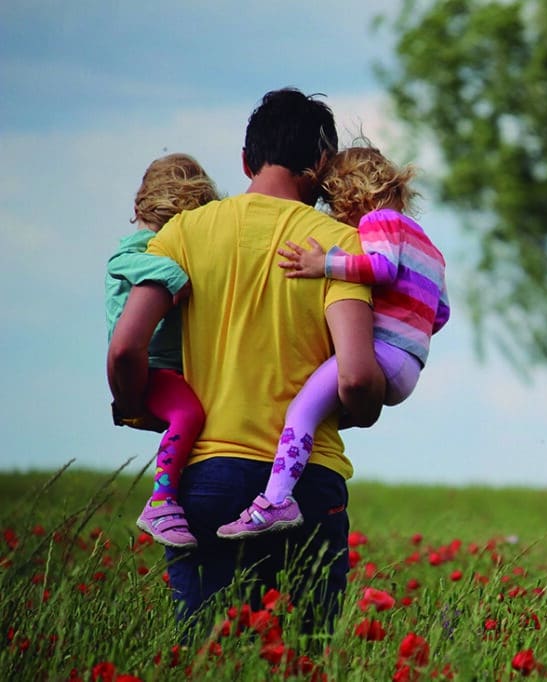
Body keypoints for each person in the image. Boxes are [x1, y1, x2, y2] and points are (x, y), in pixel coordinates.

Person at [107, 88, 385, 632]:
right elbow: (355, 377)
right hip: (307, 484)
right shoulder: (340, 247)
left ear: (244, 160)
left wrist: (134, 403)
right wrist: (368, 404)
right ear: (322, 165)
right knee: (300, 661)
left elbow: (124, 347)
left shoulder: (184, 233)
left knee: (207, 656)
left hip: (206, 478)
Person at [217, 144, 450, 539]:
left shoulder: (379, 222)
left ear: (350, 194)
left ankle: (276, 500)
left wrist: (323, 264)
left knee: (301, 412)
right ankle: (289, 482)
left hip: (382, 354)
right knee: (321, 410)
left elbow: (381, 267)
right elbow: (440, 313)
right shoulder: (430, 247)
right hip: (410, 365)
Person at [105, 153, 218, 549]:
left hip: (168, 367)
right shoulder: (140, 249)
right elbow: (123, 261)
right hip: (151, 367)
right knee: (189, 413)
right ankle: (161, 500)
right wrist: (174, 275)